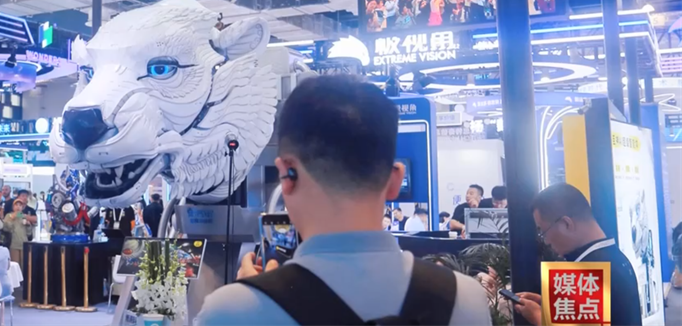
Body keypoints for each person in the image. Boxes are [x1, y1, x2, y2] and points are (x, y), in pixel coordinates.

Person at [195, 76, 491, 326]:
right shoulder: (465, 300)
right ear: (395, 181)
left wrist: (254, 295)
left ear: (286, 175)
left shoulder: (231, 311)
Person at [513, 183, 642, 326]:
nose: (546, 241)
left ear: (566, 224)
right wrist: (553, 306)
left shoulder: (587, 271)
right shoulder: (615, 258)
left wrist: (539, 317)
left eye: (544, 231)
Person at [2, 198, 30, 266]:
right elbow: (6, 228)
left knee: (24, 265)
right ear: (13, 207)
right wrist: (12, 218)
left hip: (24, 244)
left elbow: (29, 233)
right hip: (14, 244)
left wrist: (28, 225)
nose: (18, 207)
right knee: (15, 264)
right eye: (16, 205)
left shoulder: (23, 216)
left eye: (20, 205)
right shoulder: (9, 215)